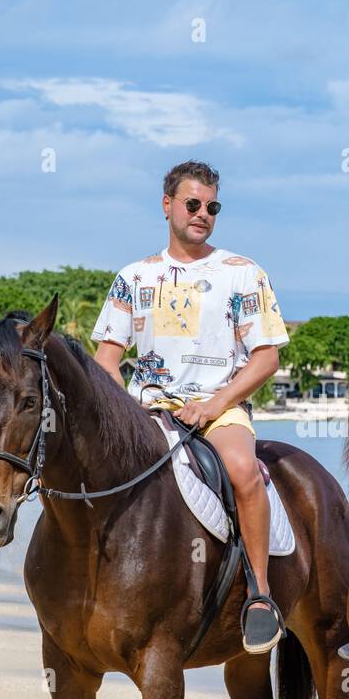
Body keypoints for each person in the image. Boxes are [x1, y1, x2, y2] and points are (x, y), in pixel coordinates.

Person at [91, 159, 289, 654]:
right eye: (193, 203)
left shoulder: (243, 274)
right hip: (145, 411)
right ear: (168, 206)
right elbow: (107, 360)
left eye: (212, 206)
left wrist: (216, 403)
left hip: (220, 408)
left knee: (243, 469)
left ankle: (260, 595)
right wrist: (125, 413)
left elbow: (266, 358)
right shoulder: (134, 277)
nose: (203, 213)